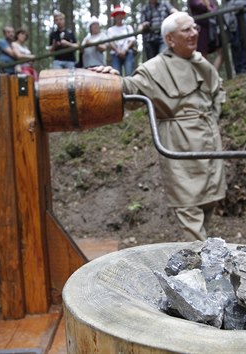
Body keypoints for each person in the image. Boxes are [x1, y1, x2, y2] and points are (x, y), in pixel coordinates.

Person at [92, 12, 226, 241]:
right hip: (178, 142)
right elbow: (131, 88)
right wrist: (112, 78)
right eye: (187, 30)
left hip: (209, 140)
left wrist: (211, 117)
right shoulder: (155, 68)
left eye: (195, 28)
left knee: (209, 200)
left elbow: (218, 92)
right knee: (187, 205)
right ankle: (204, 262)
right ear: (170, 39)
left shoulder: (201, 61)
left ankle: (206, 257)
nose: (194, 33)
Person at [188, 0, 223, 69]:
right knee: (203, 55)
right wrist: (207, 6)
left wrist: (209, 7)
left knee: (221, 52)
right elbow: (201, 6)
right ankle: (208, 77)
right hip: (201, 29)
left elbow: (214, 9)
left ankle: (213, 74)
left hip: (211, 28)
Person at [224, 0, 246, 75]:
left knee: (245, 37)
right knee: (235, 41)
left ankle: (245, 67)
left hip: (244, 7)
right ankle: (238, 69)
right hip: (230, 10)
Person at [107, 5, 136, 76]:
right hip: (115, 55)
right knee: (116, 75)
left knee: (129, 74)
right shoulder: (111, 30)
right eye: (117, 14)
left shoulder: (128, 28)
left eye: (120, 14)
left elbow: (132, 40)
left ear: (123, 16)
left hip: (128, 53)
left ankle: (129, 87)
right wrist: (118, 51)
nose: (119, 16)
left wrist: (125, 50)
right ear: (114, 17)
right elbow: (110, 42)